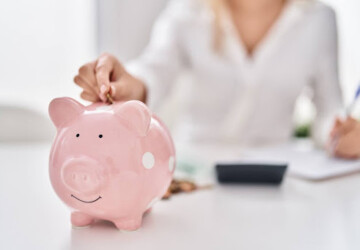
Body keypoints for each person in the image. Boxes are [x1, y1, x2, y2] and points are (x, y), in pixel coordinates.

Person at [74, 0, 346, 152]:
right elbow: (154, 71)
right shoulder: (187, 12)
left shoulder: (318, 20)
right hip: (196, 169)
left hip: (277, 176)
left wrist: (339, 134)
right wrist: (128, 85)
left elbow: (328, 109)